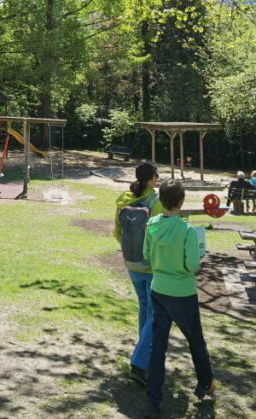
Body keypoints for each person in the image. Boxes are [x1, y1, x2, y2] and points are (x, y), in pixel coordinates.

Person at [143, 179, 215, 416]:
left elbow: (146, 255)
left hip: (159, 289)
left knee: (158, 346)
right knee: (195, 340)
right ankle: (206, 382)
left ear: (161, 200)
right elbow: (192, 265)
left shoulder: (152, 223)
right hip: (182, 293)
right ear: (181, 201)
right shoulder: (186, 230)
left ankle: (153, 399)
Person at [114, 161, 164, 386]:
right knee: (156, 315)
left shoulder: (123, 199)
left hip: (131, 262)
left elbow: (117, 231)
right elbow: (161, 237)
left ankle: (143, 348)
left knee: (144, 308)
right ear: (153, 178)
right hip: (151, 266)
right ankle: (140, 362)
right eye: (157, 176)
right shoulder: (156, 202)